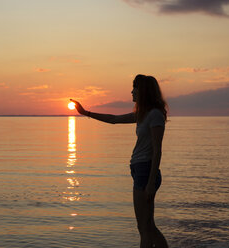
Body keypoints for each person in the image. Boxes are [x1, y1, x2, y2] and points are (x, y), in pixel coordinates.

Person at [70, 74, 169, 248]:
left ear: (143, 91)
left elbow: (157, 150)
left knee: (144, 228)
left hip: (146, 172)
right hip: (140, 170)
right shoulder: (143, 114)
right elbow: (113, 119)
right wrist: (85, 113)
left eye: (134, 88)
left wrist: (151, 182)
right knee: (148, 226)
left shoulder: (154, 115)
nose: (131, 92)